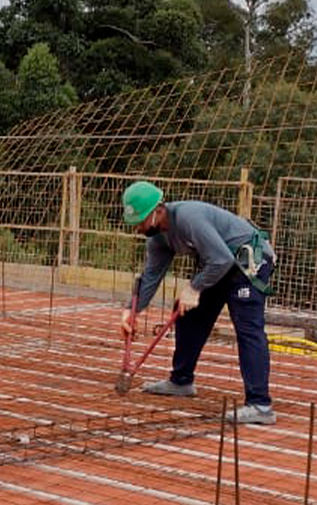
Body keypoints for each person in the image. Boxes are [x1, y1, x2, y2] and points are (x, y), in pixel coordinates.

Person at [119, 180, 278, 425]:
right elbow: (151, 275)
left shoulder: (188, 217)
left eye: (140, 221)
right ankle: (180, 381)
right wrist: (132, 310)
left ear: (158, 210)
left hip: (249, 262)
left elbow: (221, 258)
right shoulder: (158, 237)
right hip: (221, 266)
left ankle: (260, 404)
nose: (138, 228)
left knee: (248, 329)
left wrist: (194, 288)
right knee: (187, 313)